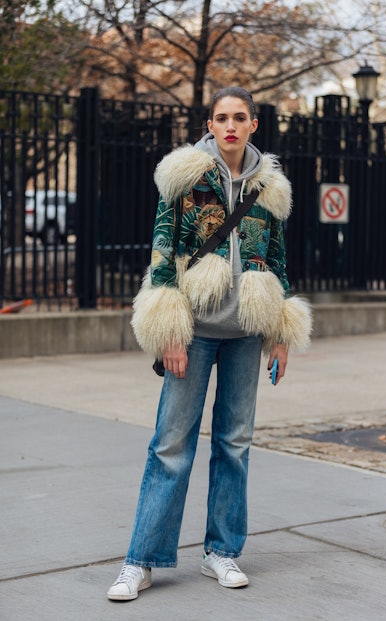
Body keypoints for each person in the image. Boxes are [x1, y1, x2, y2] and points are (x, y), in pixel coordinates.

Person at [107, 86, 312, 601]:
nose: (230, 126)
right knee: (171, 446)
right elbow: (161, 253)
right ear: (210, 122)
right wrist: (168, 330)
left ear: (253, 125)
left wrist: (281, 334)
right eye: (222, 117)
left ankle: (221, 552)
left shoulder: (270, 188)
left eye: (239, 118)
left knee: (235, 445)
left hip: (246, 332)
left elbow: (278, 262)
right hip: (193, 333)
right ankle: (141, 560)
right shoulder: (185, 174)